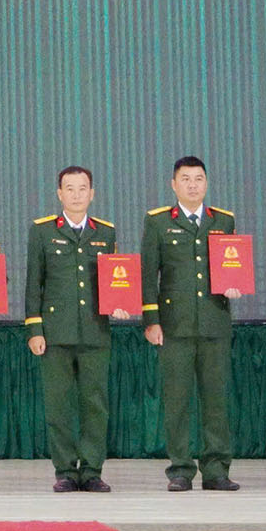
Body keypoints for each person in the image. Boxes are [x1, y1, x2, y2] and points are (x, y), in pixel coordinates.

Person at [141, 156, 241, 492]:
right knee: (178, 401)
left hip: (214, 321)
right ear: (174, 185)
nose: (193, 185)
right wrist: (151, 320)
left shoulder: (223, 220)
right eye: (186, 179)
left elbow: (232, 266)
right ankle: (181, 469)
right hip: (175, 325)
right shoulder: (158, 222)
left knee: (216, 400)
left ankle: (216, 470)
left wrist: (234, 284)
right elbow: (148, 275)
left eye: (199, 179)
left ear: (207, 183)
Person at [25, 166, 121, 493]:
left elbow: (115, 279)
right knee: (59, 405)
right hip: (55, 332)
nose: (77, 195)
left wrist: (119, 302)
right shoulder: (42, 231)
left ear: (92, 193)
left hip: (95, 330)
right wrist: (35, 329)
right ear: (59, 193)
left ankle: (92, 469)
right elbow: (34, 283)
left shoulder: (106, 232)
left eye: (83, 188)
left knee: (95, 404)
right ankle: (65, 470)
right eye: (70, 188)